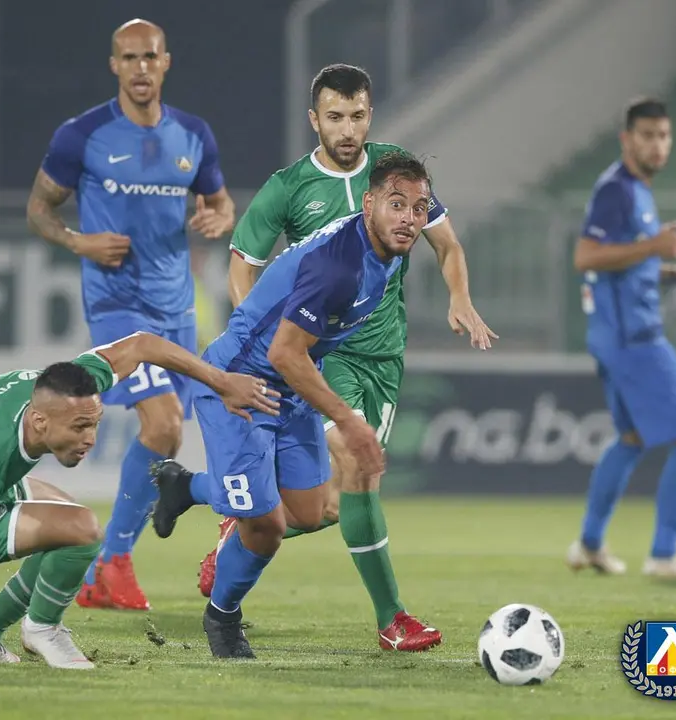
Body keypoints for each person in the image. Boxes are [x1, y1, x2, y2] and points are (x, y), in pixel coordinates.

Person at [196, 64, 495, 651]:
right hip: (312, 358)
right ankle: (390, 618)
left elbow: (448, 244)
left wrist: (460, 295)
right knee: (358, 472)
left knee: (322, 509)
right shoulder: (291, 190)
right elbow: (244, 268)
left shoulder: (396, 176)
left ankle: (212, 501)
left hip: (377, 357)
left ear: (371, 116)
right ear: (315, 120)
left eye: (357, 116)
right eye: (335, 117)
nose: (348, 129)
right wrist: (258, 336)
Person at [0, 331, 280, 670]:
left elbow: (142, 345)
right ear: (40, 422)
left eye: (95, 423)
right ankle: (42, 628)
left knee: (65, 519)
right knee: (82, 531)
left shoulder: (65, 387)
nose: (90, 439)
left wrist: (220, 380)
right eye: (80, 428)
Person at [152, 151, 447, 659]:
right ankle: (223, 618)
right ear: (369, 203)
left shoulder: (386, 254)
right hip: (240, 388)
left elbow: (300, 353)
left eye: (419, 209)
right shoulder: (338, 265)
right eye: (397, 205)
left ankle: (188, 486)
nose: (409, 219)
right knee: (266, 528)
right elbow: (284, 353)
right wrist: (347, 420)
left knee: (312, 512)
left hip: (289, 386)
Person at [25, 18, 236, 611]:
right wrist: (78, 242)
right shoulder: (83, 135)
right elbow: (38, 209)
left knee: (166, 434)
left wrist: (219, 216)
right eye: (129, 58)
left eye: (150, 57)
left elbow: (222, 202)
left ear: (165, 62)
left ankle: (108, 567)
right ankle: (112, 563)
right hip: (118, 306)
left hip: (176, 308)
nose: (140, 67)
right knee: (164, 425)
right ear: (114, 65)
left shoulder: (193, 135)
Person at [567, 98, 676, 582]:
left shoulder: (637, 193)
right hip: (635, 338)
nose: (657, 145)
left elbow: (624, 263)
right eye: (647, 135)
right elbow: (586, 257)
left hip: (613, 336)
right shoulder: (617, 189)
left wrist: (670, 271)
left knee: (630, 439)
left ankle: (589, 545)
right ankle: (664, 555)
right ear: (626, 139)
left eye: (664, 136)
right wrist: (654, 246)